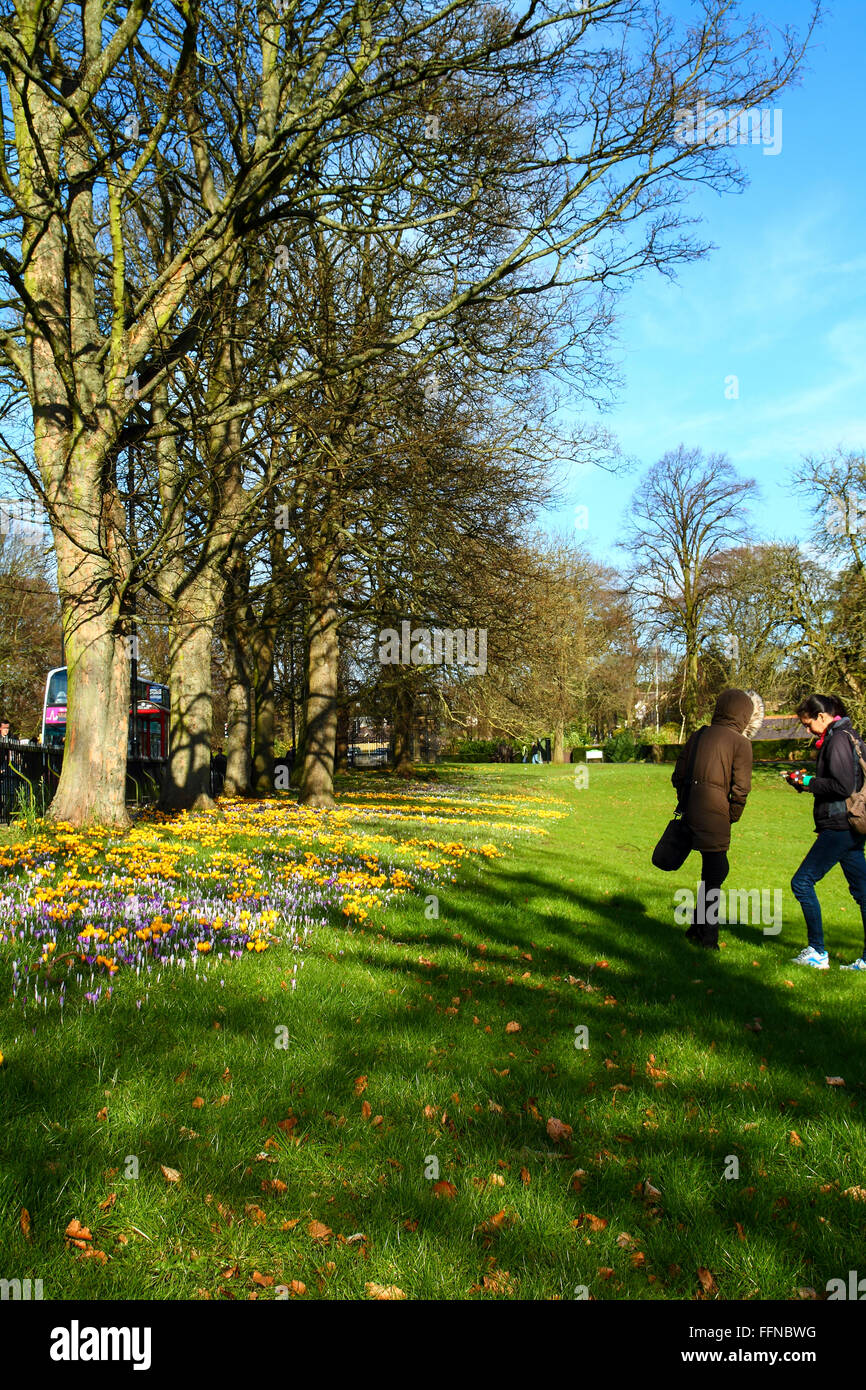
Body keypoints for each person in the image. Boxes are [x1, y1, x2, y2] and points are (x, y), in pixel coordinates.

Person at [671, 688, 763, 949]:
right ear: (744, 715)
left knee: (712, 871)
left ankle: (697, 928)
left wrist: (687, 799)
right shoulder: (741, 743)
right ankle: (707, 937)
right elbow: (741, 789)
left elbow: (678, 775)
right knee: (716, 872)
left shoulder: (699, 735)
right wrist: (731, 815)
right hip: (716, 814)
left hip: (691, 810)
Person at [786, 695, 866, 971]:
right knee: (863, 892)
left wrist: (807, 781)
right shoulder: (849, 735)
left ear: (822, 716)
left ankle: (817, 952)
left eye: (808, 724)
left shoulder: (838, 739)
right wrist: (805, 782)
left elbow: (841, 786)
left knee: (802, 882)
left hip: (839, 824)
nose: (807, 731)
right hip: (852, 824)